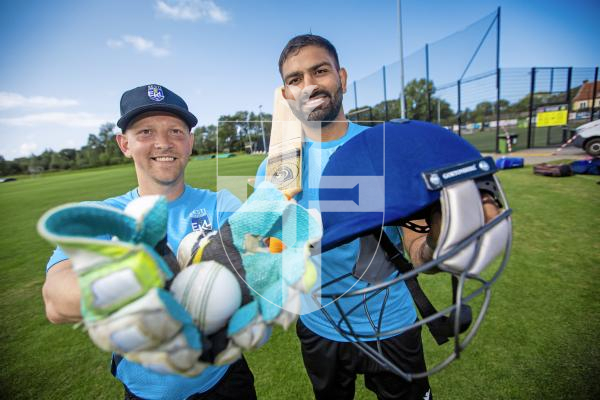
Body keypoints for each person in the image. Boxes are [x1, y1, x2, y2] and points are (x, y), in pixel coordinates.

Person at [41, 84, 257, 400]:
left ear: (191, 142)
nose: (163, 143)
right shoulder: (103, 215)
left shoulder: (220, 203)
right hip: (146, 392)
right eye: (145, 132)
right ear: (124, 144)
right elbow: (56, 300)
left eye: (175, 131)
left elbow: (263, 250)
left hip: (225, 380)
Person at [255, 34, 434, 400]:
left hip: (392, 325)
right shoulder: (274, 169)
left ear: (343, 77)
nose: (309, 85)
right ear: (287, 94)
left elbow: (417, 247)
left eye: (320, 71)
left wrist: (441, 243)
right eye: (295, 79)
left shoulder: (385, 150)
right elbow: (265, 253)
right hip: (320, 327)